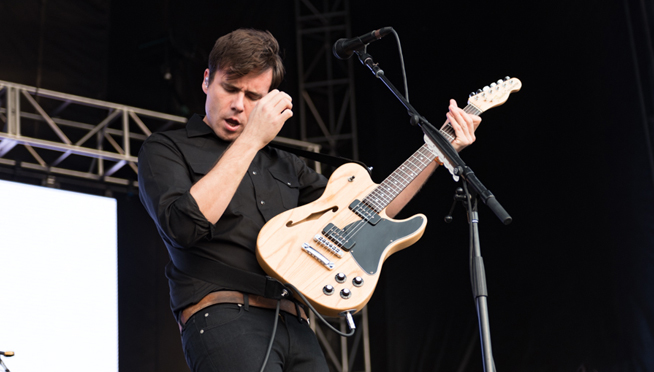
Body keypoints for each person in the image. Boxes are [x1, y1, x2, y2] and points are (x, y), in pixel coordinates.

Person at [138, 28, 481, 372]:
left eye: (254, 96)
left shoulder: (285, 164)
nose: (239, 105)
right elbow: (183, 226)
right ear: (207, 80)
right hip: (223, 315)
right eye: (230, 88)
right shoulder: (167, 149)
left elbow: (366, 212)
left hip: (296, 321)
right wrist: (252, 139)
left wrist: (437, 153)